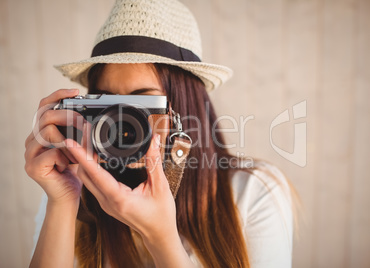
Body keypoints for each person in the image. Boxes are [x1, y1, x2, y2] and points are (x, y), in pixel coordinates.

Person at [24, 0, 295, 267]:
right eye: (106, 105)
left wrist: (161, 237)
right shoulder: (71, 188)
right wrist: (63, 203)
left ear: (183, 112)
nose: (120, 124)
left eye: (140, 106)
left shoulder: (254, 194)